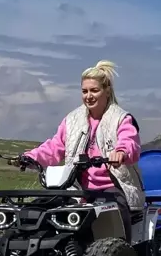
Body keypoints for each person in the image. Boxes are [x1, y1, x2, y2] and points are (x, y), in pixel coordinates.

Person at [10, 60, 144, 243]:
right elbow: (55, 146)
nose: (88, 96)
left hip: (112, 187)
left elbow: (130, 142)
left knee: (112, 213)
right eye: (84, 91)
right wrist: (30, 157)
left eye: (94, 90)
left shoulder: (121, 118)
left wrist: (121, 152)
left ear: (107, 91)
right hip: (76, 188)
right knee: (40, 210)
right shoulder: (72, 120)